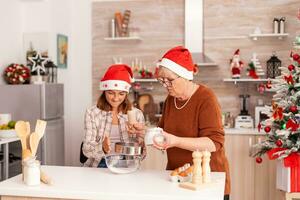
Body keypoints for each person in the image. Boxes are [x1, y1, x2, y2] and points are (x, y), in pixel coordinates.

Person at [154, 46, 230, 199]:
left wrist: (176, 141)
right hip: (177, 177)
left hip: (205, 180)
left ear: (185, 76)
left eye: (169, 80)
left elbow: (214, 143)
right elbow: (163, 131)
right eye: (162, 80)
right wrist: (144, 132)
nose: (165, 85)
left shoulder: (206, 98)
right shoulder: (171, 99)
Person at [82, 64, 145, 168]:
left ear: (126, 93)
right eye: (111, 93)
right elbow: (86, 150)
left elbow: (142, 155)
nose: (116, 98)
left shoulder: (137, 114)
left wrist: (140, 135)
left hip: (128, 164)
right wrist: (102, 147)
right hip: (100, 163)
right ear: (104, 91)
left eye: (121, 94)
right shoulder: (92, 113)